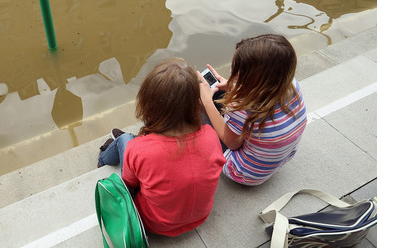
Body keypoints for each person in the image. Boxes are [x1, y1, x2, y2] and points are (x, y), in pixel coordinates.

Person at [97, 58, 225, 237]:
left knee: (125, 139)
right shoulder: (211, 135)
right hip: (200, 217)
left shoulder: (138, 149)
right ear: (196, 102)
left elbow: (129, 184)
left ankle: (103, 158)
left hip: (154, 223)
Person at [199, 34, 308, 186]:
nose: (231, 71)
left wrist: (206, 102)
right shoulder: (290, 84)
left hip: (243, 172)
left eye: (237, 69)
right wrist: (232, 87)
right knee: (218, 92)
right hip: (281, 158)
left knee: (199, 110)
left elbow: (232, 144)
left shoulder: (241, 106)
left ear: (255, 77)